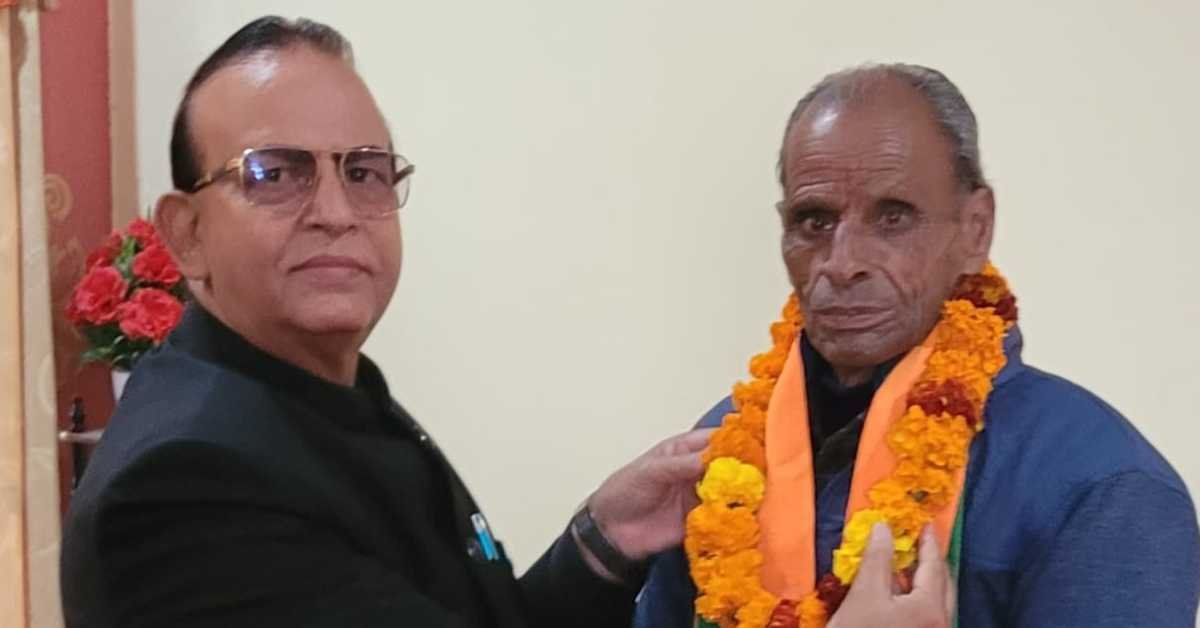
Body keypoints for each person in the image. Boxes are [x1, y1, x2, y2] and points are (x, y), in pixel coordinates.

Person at [59, 17, 951, 628]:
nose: (334, 210)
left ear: (974, 227)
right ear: (186, 233)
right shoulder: (187, 484)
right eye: (276, 173)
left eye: (364, 171)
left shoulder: (322, 392)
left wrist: (602, 544)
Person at [635, 64, 1200, 627]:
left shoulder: (1101, 485)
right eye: (814, 221)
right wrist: (598, 554)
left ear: (975, 228)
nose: (843, 263)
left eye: (893, 217)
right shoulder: (726, 451)